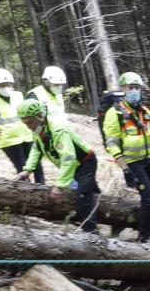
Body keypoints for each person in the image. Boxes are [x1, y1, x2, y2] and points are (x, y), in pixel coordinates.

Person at [15, 98, 99, 233]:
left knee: (83, 196)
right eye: (24, 123)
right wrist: (27, 170)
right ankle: (106, 214)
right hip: (73, 166)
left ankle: (91, 233)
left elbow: (69, 158)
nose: (28, 126)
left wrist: (59, 185)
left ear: (40, 116)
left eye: (30, 122)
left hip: (85, 162)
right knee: (90, 193)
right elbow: (37, 149)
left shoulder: (57, 129)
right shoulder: (38, 129)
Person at [101, 71, 150, 242]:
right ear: (123, 88)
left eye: (137, 88)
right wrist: (125, 170)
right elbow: (112, 143)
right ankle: (143, 236)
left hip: (148, 160)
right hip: (133, 162)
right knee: (149, 199)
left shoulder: (144, 111)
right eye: (131, 87)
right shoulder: (115, 113)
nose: (135, 91)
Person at [0, 68, 42, 183]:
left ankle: (42, 188)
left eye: (7, 84)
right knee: (22, 169)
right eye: (2, 85)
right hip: (9, 141)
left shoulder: (18, 95)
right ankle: (27, 194)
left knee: (36, 165)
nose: (5, 87)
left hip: (27, 136)